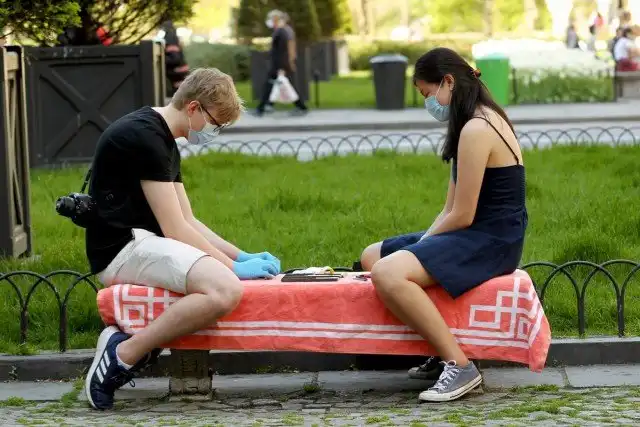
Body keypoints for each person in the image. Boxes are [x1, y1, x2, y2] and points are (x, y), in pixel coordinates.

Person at [83, 68, 282, 410]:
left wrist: (242, 256)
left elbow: (189, 221)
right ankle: (123, 354)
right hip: (122, 249)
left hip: (142, 241)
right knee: (225, 289)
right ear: (193, 108)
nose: (214, 132)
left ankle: (130, 349)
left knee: (225, 281)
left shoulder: (161, 136)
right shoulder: (146, 138)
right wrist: (232, 268)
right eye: (215, 123)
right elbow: (175, 228)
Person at [359, 47, 528, 402]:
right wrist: (421, 246)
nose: (429, 103)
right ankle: (441, 348)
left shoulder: (478, 128)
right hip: (473, 231)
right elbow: (449, 209)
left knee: (388, 273)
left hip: (492, 239)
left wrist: (419, 249)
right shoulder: (470, 122)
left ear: (448, 82)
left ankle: (459, 365)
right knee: (372, 256)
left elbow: (462, 215)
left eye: (427, 93)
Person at [254, 9, 308, 117]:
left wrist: (282, 67)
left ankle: (262, 108)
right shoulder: (282, 31)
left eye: (271, 18)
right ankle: (265, 106)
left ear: (275, 19)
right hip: (279, 64)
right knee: (276, 85)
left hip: (279, 65)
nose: (269, 21)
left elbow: (283, 51)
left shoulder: (281, 32)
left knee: (274, 85)